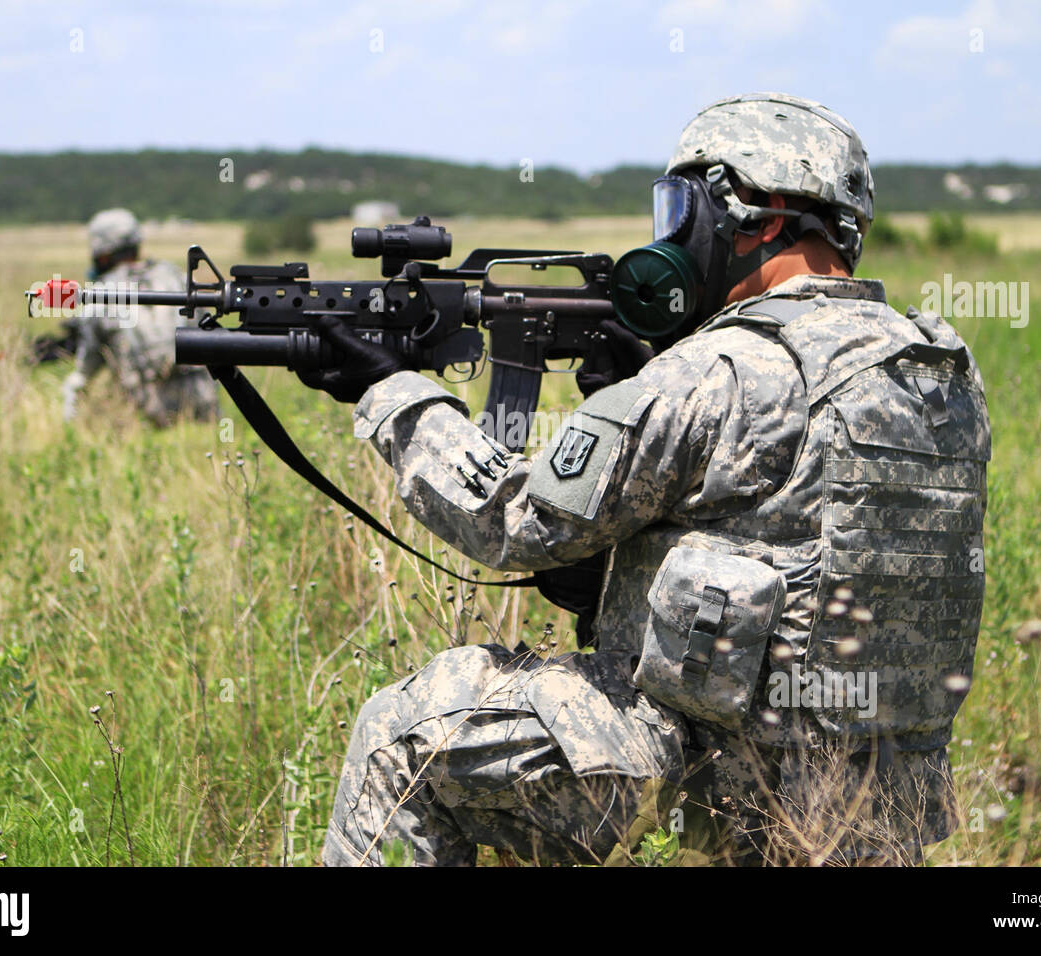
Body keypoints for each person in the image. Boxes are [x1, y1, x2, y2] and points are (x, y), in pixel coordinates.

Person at [308, 93, 991, 866]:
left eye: (681, 210)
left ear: (757, 216)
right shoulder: (941, 372)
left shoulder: (724, 367)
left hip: (720, 781)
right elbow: (795, 539)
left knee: (400, 737)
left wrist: (395, 393)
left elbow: (513, 522)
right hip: (877, 803)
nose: (672, 237)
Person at [62, 208, 218, 427]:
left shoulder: (102, 294)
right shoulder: (177, 277)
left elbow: (85, 372)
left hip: (150, 416)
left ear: (102, 252)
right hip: (204, 404)